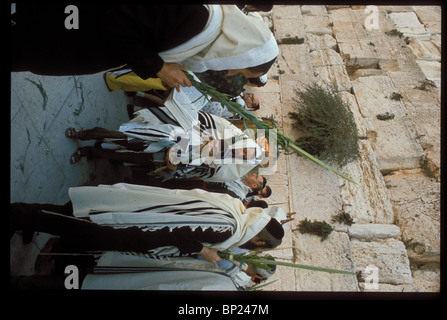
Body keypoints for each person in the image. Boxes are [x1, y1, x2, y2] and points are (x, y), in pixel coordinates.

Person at [12, 4, 278, 92]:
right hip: (67, 32)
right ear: (240, 50)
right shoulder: (195, 19)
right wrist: (159, 68)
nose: (232, 75)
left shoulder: (200, 33)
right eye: (242, 72)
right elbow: (116, 17)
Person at [10, 183, 285, 264]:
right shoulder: (228, 227)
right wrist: (203, 251)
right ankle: (18, 215)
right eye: (258, 247)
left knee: (65, 219)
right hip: (131, 223)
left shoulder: (236, 210)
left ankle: (29, 221)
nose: (253, 247)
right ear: (259, 241)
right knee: (69, 220)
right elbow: (177, 233)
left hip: (141, 213)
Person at [65, 109, 267, 182]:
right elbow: (204, 122)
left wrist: (181, 162)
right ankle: (83, 134)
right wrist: (202, 141)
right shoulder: (232, 133)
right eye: (246, 148)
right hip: (173, 138)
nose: (242, 152)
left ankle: (89, 151)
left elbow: (202, 172)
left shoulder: (230, 171)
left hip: (168, 159)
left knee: (125, 156)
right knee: (124, 137)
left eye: (246, 155)